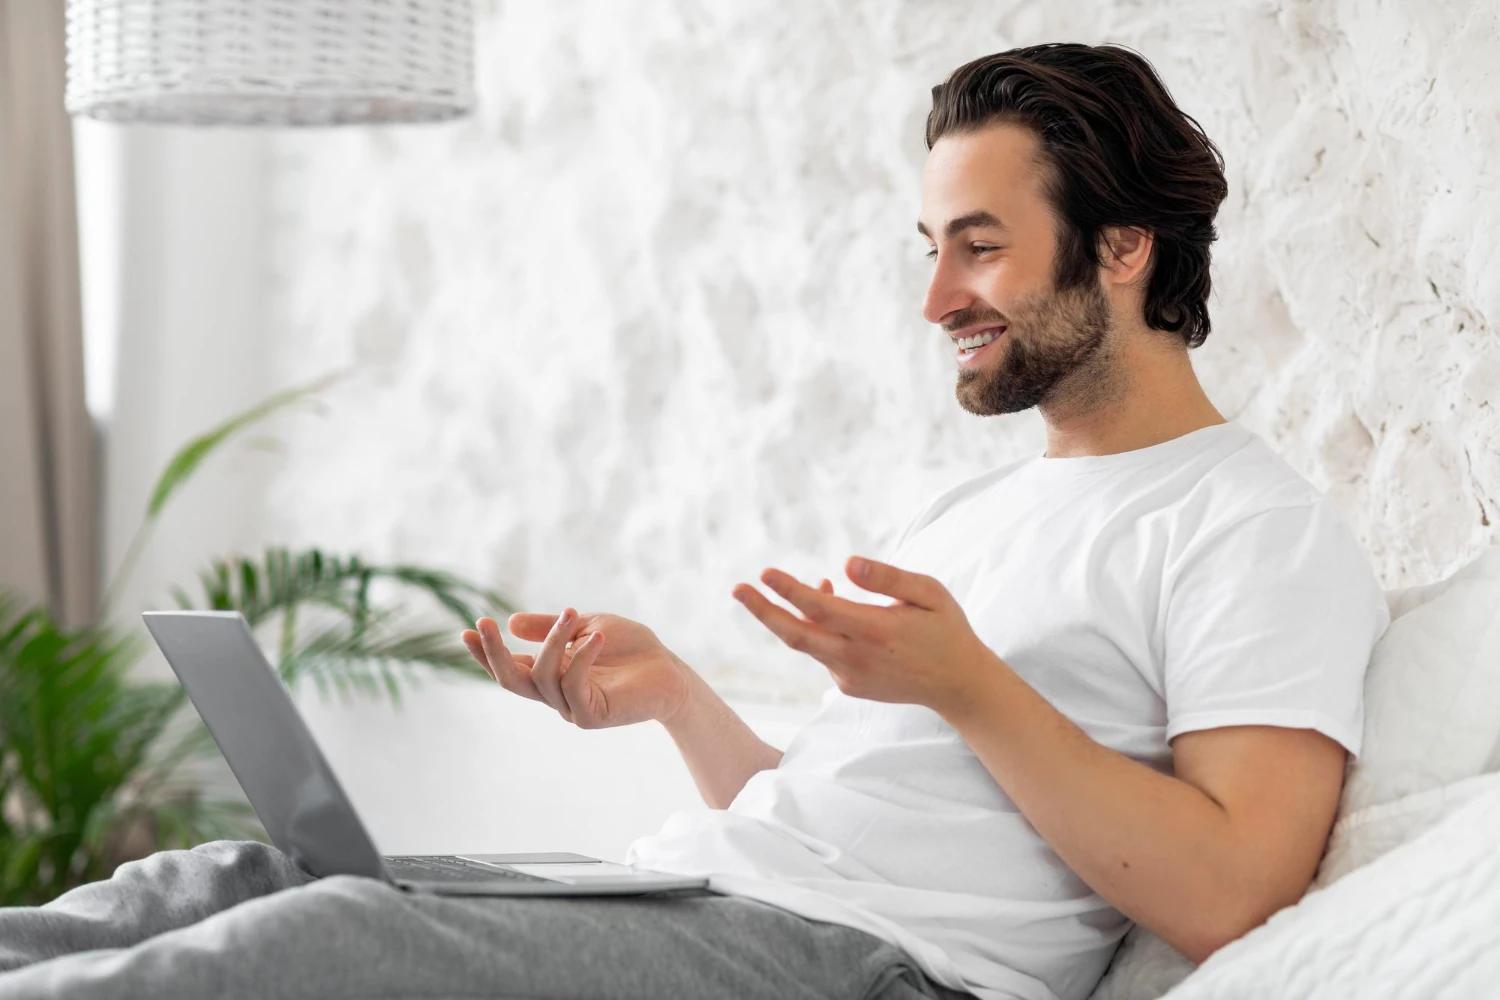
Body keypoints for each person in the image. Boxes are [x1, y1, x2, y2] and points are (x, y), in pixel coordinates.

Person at [0, 42, 1389, 1000]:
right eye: (932, 251)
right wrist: (673, 698)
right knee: (225, 874)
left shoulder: (1251, 527)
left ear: (1124, 246)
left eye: (980, 245)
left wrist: (969, 686)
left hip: (866, 971)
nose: (936, 301)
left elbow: (1231, 892)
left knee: (319, 942)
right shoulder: (982, 505)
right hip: (718, 901)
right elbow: (845, 818)